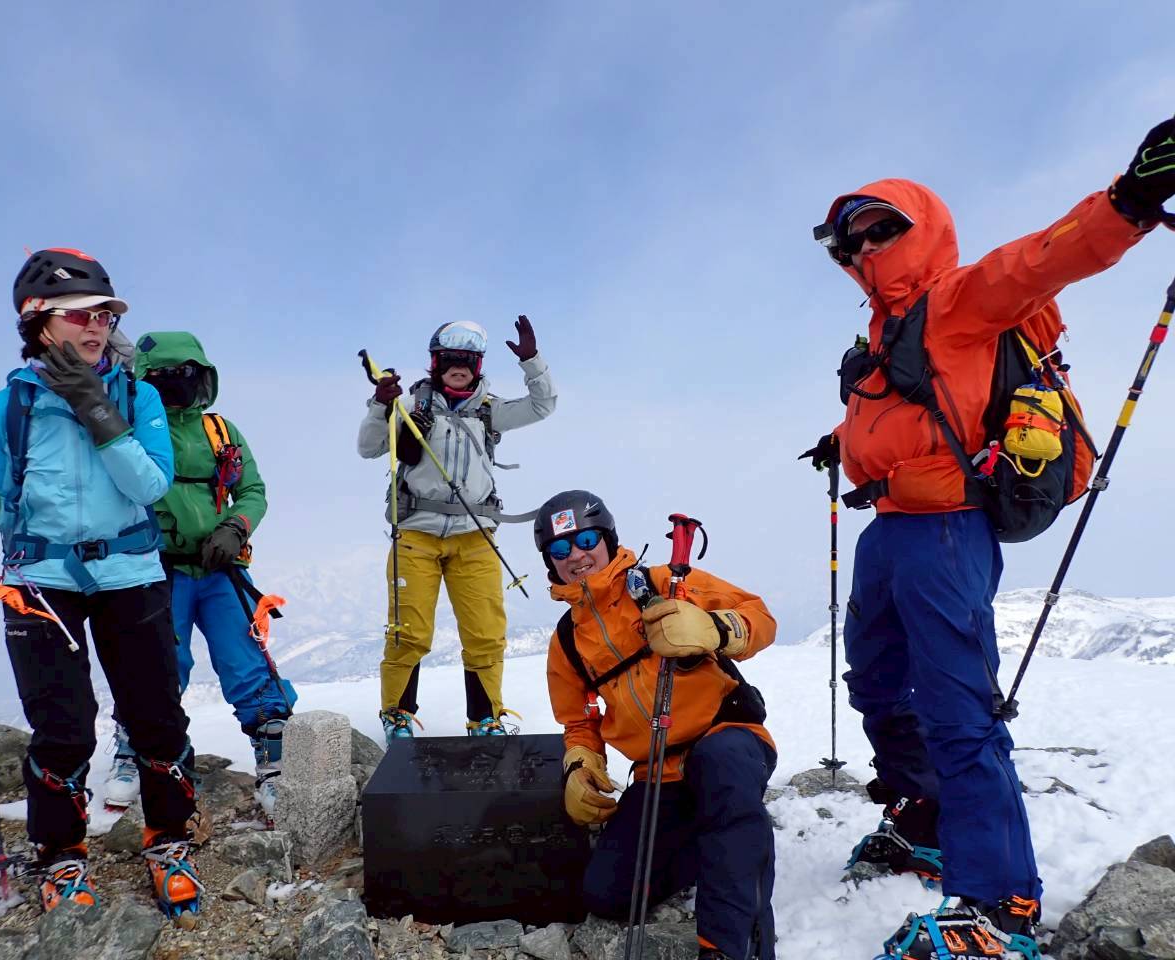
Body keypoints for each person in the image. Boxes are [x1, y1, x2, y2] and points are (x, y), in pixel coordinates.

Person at [802, 117, 1175, 959]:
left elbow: (1044, 258)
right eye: (851, 241)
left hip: (944, 532)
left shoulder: (959, 298)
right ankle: (927, 816)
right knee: (875, 683)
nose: (865, 248)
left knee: (957, 708)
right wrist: (842, 440)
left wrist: (1130, 199)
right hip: (887, 531)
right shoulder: (884, 333)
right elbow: (914, 409)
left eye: (880, 229)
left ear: (920, 230)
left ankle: (1000, 902)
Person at [0, 249, 202, 921]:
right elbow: (5, 509)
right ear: (38, 323)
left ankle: (169, 838)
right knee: (62, 726)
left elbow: (150, 485)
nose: (96, 326)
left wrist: (96, 409)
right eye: (79, 315)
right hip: (40, 579)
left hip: (130, 573)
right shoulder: (9, 405)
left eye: (104, 315)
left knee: (156, 715)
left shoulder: (137, 397)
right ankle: (60, 853)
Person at [536, 491, 778, 960]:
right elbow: (579, 720)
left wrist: (715, 628)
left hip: (726, 737)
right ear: (551, 562)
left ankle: (730, 946)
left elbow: (760, 617)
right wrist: (580, 764)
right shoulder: (567, 641)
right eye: (560, 549)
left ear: (607, 540)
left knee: (722, 772)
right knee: (609, 894)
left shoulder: (665, 583)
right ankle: (722, 848)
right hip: (658, 771)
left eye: (585, 540)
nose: (576, 556)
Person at [97, 330, 296, 819]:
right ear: (144, 379)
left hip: (221, 568)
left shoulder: (220, 432)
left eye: (184, 373)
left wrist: (235, 527)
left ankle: (275, 761)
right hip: (157, 569)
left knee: (245, 660)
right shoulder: (132, 429)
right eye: (162, 375)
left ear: (202, 376)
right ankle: (135, 752)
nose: (175, 382)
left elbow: (252, 490)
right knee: (160, 665)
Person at [358, 317, 556, 744]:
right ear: (436, 363)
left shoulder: (489, 411)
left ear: (478, 366)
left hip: (475, 536)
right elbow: (369, 447)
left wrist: (532, 362)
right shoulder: (408, 408)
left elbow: (543, 405)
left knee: (485, 633)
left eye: (467, 360)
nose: (458, 367)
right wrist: (379, 404)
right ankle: (397, 716)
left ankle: (485, 719)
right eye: (450, 359)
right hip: (416, 534)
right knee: (409, 632)